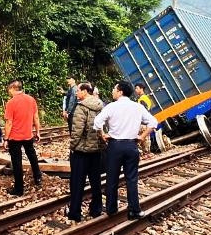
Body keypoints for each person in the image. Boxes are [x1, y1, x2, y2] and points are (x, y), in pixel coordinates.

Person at [94, 80, 157, 219]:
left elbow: (97, 123)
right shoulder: (137, 107)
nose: (112, 91)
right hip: (131, 146)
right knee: (132, 179)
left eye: (114, 89)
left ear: (120, 91)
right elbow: (153, 122)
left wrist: (102, 135)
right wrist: (141, 137)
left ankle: (111, 209)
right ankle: (134, 210)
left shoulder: (111, 107)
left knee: (112, 179)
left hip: (114, 146)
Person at [67, 82, 104, 222]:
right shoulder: (100, 106)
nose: (76, 94)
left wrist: (72, 146)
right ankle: (96, 209)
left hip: (82, 151)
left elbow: (77, 131)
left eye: (78, 91)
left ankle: (75, 213)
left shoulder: (81, 108)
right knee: (95, 181)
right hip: (96, 150)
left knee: (77, 182)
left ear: (84, 91)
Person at [3, 79, 43, 196]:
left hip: (15, 137)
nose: (8, 92)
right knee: (32, 156)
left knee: (17, 162)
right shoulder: (31, 100)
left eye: (9, 90)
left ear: (12, 89)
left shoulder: (11, 103)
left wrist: (6, 138)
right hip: (28, 134)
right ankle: (38, 177)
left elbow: (9, 122)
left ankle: (19, 189)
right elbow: (36, 117)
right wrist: (38, 132)